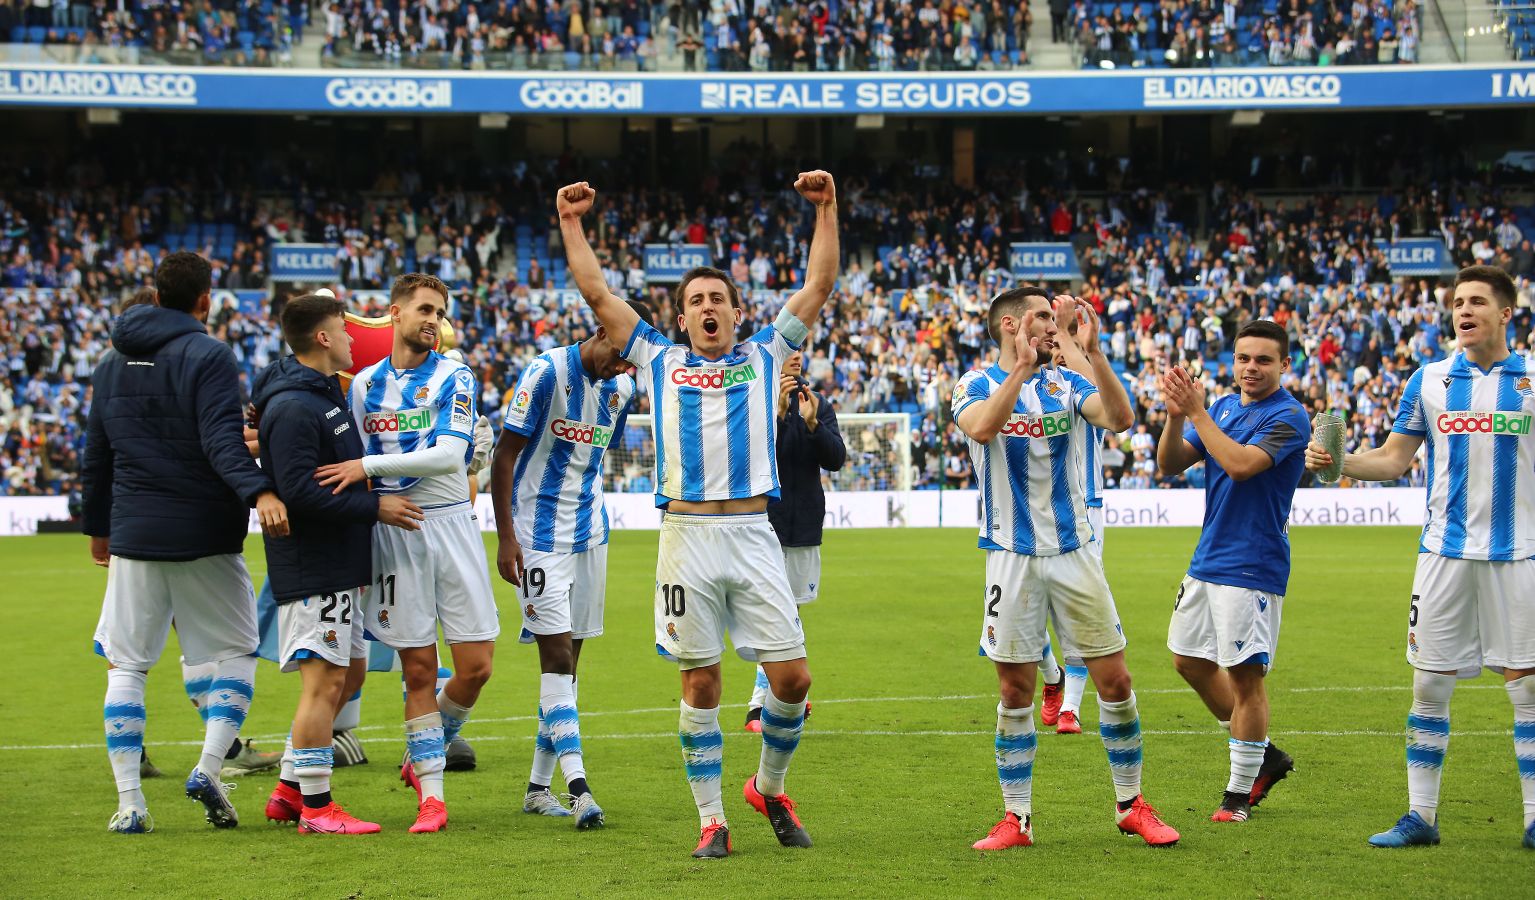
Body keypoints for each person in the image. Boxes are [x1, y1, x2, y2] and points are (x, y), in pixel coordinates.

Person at [557, 171, 838, 859]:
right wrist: (570, 222)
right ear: (680, 317)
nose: (707, 307)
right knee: (701, 680)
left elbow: (819, 284)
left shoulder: (767, 354)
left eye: (718, 299)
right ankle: (712, 819)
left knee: (793, 679)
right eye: (696, 301)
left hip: (751, 534)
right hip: (685, 537)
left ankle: (767, 787)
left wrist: (826, 208)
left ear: (738, 313)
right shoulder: (657, 357)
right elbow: (596, 292)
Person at [1305, 265, 1535, 850]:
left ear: (1506, 313)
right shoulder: (1428, 380)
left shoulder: (1532, 377)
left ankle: (1534, 819)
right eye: (1458, 302)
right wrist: (1336, 463)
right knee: (1429, 686)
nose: (1465, 311)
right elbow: (1392, 460)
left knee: (1527, 690)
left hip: (1521, 554)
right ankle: (1421, 817)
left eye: (1478, 302)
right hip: (1444, 555)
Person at [954, 288, 1179, 850]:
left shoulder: (1068, 382)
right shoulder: (974, 383)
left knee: (1116, 680)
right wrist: (1021, 372)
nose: (1054, 325)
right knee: (1015, 689)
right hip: (1010, 555)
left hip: (1075, 550)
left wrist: (1094, 355)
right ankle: (1017, 819)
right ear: (1010, 324)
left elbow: (1122, 419)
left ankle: (1132, 804)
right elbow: (982, 429)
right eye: (1042, 317)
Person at [83, 251, 290, 834]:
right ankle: (208, 767)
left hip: (133, 534)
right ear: (205, 300)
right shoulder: (209, 354)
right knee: (237, 653)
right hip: (202, 531)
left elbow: (96, 455)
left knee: (127, 664)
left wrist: (98, 527)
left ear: (154, 291)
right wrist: (259, 492)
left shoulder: (109, 363)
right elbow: (221, 442)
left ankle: (129, 804)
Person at [315, 272, 497, 835]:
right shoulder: (364, 385)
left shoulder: (455, 375)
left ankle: (423, 755)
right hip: (394, 535)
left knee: (476, 667)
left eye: (438, 312)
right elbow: (342, 452)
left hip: (451, 526)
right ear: (394, 314)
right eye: (422, 309)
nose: (431, 320)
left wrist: (368, 470)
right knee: (418, 669)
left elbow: (449, 457)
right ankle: (433, 796)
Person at [254, 292, 426, 834]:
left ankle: (288, 790)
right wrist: (376, 505)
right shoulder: (292, 406)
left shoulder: (323, 394)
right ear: (324, 339)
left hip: (340, 563)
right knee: (323, 683)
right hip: (314, 565)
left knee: (348, 672)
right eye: (344, 331)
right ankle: (317, 808)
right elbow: (301, 493)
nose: (355, 338)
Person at [490, 299, 655, 828]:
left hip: (590, 534)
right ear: (603, 330)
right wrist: (506, 538)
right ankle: (579, 789)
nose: (626, 370)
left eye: (634, 363)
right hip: (537, 537)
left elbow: (595, 457)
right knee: (556, 659)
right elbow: (504, 456)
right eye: (623, 356)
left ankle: (537, 788)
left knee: (568, 666)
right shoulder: (545, 372)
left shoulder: (622, 388)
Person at [1155, 320, 1308, 824]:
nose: (1251, 368)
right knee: (1189, 660)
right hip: (1208, 558)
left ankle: (1238, 795)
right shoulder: (1220, 407)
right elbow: (1170, 463)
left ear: (1284, 365)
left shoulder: (1288, 416)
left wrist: (1197, 410)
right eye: (1244, 358)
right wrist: (1178, 417)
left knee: (1246, 679)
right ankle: (1262, 753)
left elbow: (1241, 465)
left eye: (1264, 360)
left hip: (1252, 565)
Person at [743, 344, 846, 732]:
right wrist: (779, 415)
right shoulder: (757, 404)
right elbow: (754, 457)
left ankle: (785, 696)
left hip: (803, 526)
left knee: (791, 614)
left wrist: (812, 425)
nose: (797, 356)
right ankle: (761, 705)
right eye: (789, 350)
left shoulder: (817, 403)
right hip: (762, 525)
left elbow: (836, 458)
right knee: (770, 613)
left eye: (801, 350)